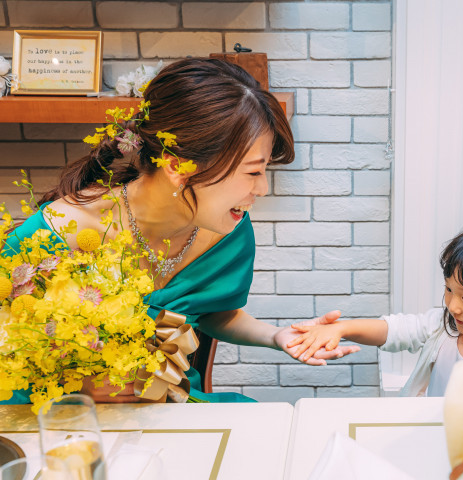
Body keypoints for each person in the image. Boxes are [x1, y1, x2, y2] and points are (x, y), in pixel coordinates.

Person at [0, 58, 358, 404]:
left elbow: (215, 312)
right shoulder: (57, 233)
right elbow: (10, 341)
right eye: (252, 172)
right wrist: (78, 388)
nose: (262, 189)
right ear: (177, 165)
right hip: (65, 415)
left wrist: (277, 336)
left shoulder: (228, 231)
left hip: (171, 401)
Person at [287, 221, 463, 396]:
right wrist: (341, 328)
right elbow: (393, 330)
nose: (452, 306)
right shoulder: (443, 330)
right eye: (449, 289)